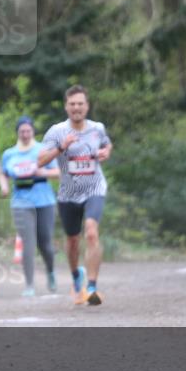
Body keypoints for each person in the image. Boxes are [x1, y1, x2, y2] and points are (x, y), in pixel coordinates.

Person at [37, 85, 112, 305]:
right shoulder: (57, 131)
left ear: (87, 106)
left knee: (91, 232)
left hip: (94, 188)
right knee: (72, 240)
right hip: (68, 193)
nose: (76, 108)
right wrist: (61, 147)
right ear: (66, 106)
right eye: (72, 104)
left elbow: (107, 145)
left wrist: (106, 152)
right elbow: (40, 161)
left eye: (80, 103)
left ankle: (92, 286)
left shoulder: (97, 128)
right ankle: (76, 276)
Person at [0, 116, 60, 297]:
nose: (25, 134)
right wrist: (4, 186)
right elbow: (3, 173)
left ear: (33, 131)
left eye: (28, 131)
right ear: (17, 133)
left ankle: (50, 271)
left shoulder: (43, 150)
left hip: (44, 200)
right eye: (22, 131)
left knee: (45, 243)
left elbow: (58, 171)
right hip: (21, 202)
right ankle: (29, 285)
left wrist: (44, 172)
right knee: (28, 243)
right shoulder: (10, 154)